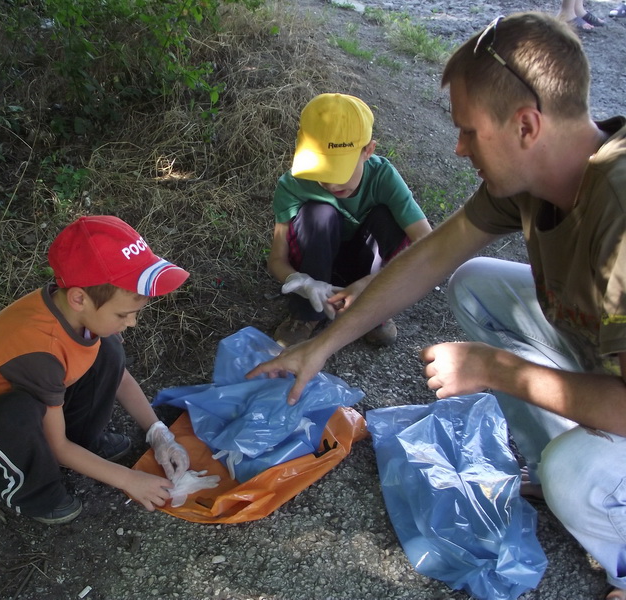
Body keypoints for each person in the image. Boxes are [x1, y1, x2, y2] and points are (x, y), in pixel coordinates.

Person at [248, 13, 626, 599]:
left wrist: (497, 370)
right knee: (473, 280)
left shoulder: (620, 217)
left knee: (573, 475)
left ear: (526, 124)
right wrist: (320, 346)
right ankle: (546, 459)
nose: (457, 147)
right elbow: (431, 256)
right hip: (607, 358)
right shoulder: (535, 175)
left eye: (469, 131)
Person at [0, 216, 192, 524]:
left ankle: (84, 442)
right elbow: (57, 446)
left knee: (109, 350)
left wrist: (159, 434)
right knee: (18, 412)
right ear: (79, 298)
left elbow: (119, 378)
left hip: (41, 401)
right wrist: (128, 479)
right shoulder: (39, 350)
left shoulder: (80, 313)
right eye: (124, 314)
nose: (132, 323)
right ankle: (31, 493)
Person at [268, 93, 431, 348]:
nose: (331, 183)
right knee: (317, 213)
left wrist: (372, 284)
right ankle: (306, 313)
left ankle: (371, 309)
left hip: (366, 266)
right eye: (321, 171)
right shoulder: (293, 185)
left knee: (386, 219)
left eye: (340, 171)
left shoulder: (383, 178)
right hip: (317, 264)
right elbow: (277, 258)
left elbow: (427, 243)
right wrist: (299, 281)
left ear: (368, 151)